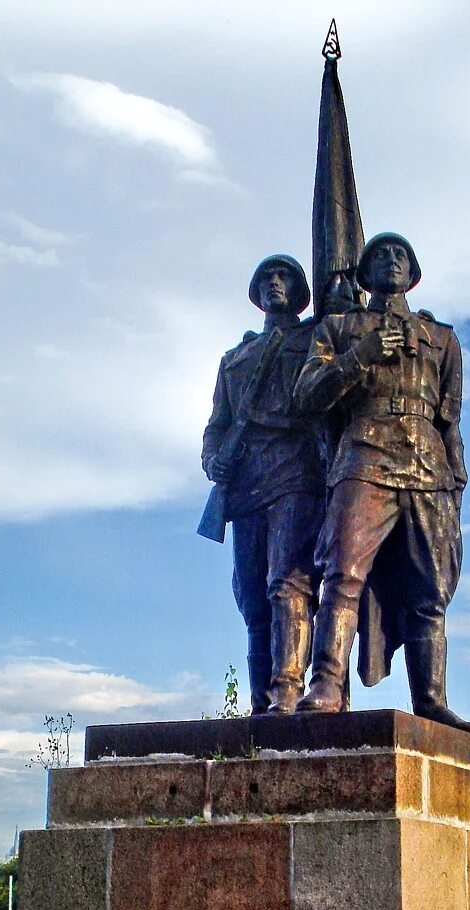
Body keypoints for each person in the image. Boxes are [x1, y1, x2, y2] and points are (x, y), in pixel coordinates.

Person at [293, 232, 470, 733]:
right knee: (343, 575)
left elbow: (450, 418)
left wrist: (456, 479)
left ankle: (432, 701)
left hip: (428, 465)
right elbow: (307, 395)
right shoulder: (340, 328)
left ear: (413, 272)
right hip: (364, 456)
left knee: (430, 591)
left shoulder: (442, 338)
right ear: (365, 271)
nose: (391, 261)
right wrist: (362, 356)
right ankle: (326, 684)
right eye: (381, 254)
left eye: (401, 255)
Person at [201, 255, 325, 713]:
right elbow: (218, 424)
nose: (275, 284)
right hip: (247, 482)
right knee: (252, 597)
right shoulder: (236, 358)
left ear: (299, 289)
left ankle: (287, 688)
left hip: (295, 471)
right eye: (267, 279)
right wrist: (212, 459)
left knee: (286, 583)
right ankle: (259, 703)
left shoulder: (316, 338)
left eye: (285, 277)